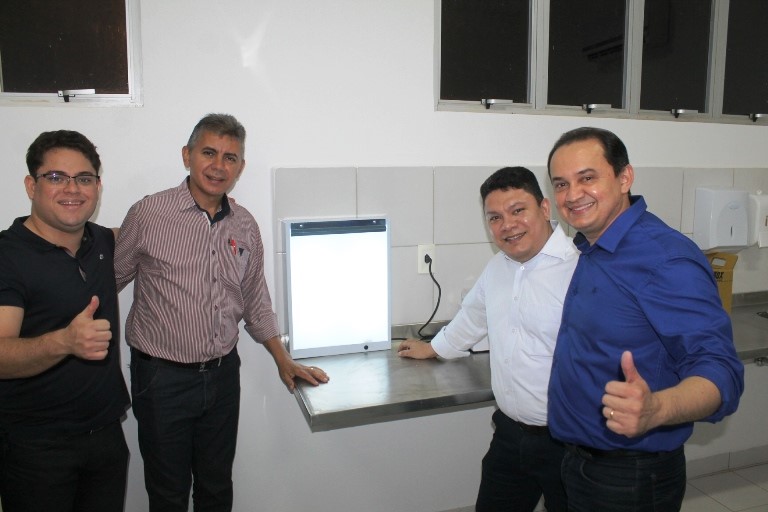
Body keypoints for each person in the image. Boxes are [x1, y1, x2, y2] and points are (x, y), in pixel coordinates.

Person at [114, 113, 329, 512]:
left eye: (230, 158)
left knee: (216, 487)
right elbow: (111, 277)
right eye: (208, 153)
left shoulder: (244, 225)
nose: (218, 166)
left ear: (240, 167)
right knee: (168, 492)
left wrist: (282, 359)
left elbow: (255, 298)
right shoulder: (148, 214)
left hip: (222, 376)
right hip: (161, 379)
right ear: (187, 156)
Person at [546, 127, 745, 512]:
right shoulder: (594, 246)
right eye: (561, 184)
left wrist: (658, 408)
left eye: (587, 178)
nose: (572, 195)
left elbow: (721, 370)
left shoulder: (664, 259)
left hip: (628, 477)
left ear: (625, 178)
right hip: (577, 460)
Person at [398, 167, 578, 512]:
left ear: (544, 208)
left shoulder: (578, 267)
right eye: (495, 217)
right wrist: (434, 347)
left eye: (518, 210)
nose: (507, 225)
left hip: (567, 444)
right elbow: (472, 318)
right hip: (510, 435)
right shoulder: (498, 267)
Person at [0, 130, 130, 512]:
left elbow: (155, 229)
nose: (72, 189)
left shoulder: (102, 241)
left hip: (105, 437)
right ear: (31, 185)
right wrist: (66, 342)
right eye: (56, 177)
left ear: (97, 187)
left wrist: (209, 203)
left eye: (84, 178)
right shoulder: (8, 256)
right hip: (35, 449)